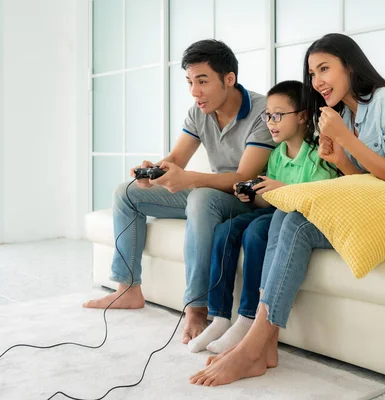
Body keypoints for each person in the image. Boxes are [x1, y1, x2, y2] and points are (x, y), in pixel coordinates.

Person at [189, 32, 385, 386]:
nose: (317, 82)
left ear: (350, 65)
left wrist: (345, 140)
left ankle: (257, 342)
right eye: (312, 74)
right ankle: (265, 344)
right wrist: (341, 160)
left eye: (324, 69)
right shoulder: (346, 113)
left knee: (297, 223)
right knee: (287, 212)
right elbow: (366, 181)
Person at [83, 39, 276, 345]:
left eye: (202, 81)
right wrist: (156, 172)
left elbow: (244, 177)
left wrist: (188, 179)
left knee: (199, 196)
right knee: (127, 191)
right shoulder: (199, 112)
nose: (194, 92)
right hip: (212, 193)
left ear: (229, 79)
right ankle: (128, 288)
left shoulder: (264, 112)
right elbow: (177, 160)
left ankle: (197, 308)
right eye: (189, 82)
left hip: (248, 199)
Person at [186, 80, 338, 354]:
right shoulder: (277, 154)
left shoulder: (319, 154)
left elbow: (318, 199)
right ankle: (220, 316)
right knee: (226, 230)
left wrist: (282, 191)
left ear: (303, 116)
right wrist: (251, 195)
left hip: (299, 218)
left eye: (277, 115)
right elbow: (266, 199)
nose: (270, 122)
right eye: (267, 115)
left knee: (255, 232)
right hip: (273, 211)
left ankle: (247, 316)